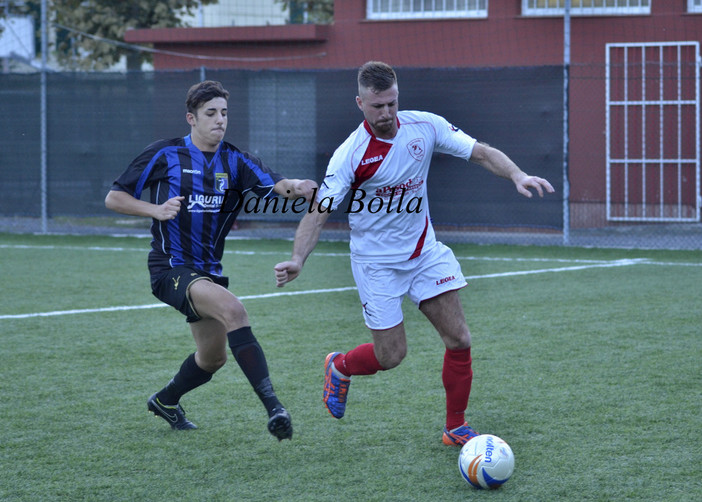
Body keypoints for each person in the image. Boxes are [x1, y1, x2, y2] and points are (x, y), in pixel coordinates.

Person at [274, 61, 554, 446]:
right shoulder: (350, 156)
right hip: (376, 265)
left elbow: (481, 153)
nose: (387, 113)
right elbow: (318, 212)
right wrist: (298, 259)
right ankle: (339, 366)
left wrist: (517, 174)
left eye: (392, 103)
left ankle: (455, 426)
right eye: (378, 106)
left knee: (459, 338)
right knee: (391, 356)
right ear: (360, 103)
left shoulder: (425, 126)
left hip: (424, 253)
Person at [105, 80, 316, 440]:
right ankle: (275, 408)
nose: (220, 120)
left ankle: (166, 400)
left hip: (208, 274)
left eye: (224, 113)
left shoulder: (235, 160)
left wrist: (299, 185)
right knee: (235, 311)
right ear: (191, 118)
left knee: (213, 358)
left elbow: (278, 184)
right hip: (170, 269)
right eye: (211, 114)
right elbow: (115, 198)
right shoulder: (165, 154)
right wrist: (155, 209)